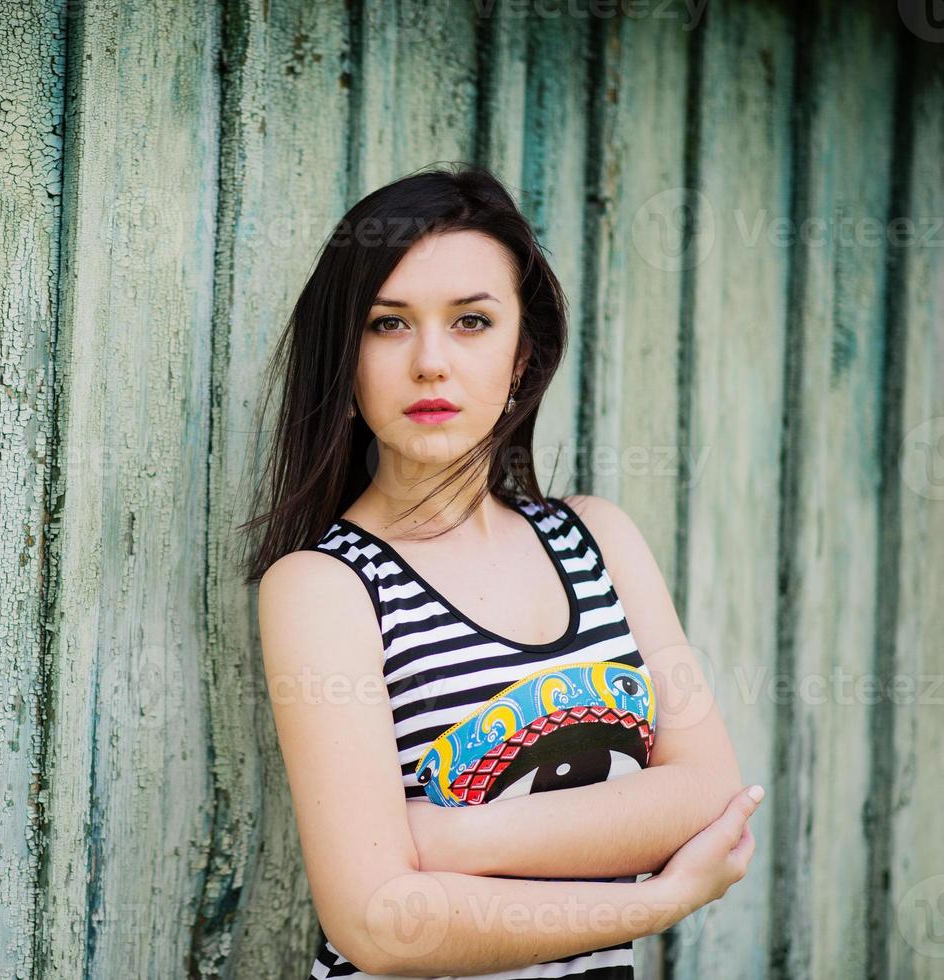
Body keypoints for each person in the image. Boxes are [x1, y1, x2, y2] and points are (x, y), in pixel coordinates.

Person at [239, 163, 763, 978]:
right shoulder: (324, 588)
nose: (431, 362)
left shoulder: (599, 541)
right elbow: (382, 921)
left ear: (524, 355)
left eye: (472, 322)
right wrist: (656, 902)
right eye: (387, 325)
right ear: (344, 364)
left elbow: (707, 791)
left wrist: (449, 836)